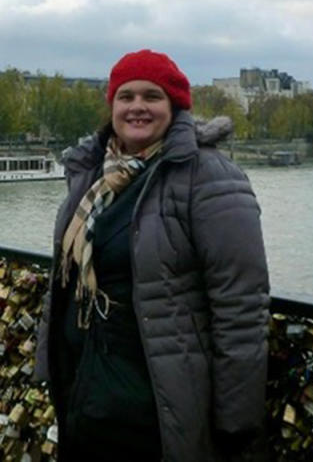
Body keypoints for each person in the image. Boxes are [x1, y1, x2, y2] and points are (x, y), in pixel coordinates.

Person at [36, 49, 270, 461]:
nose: (137, 107)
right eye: (126, 97)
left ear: (175, 106)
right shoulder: (92, 175)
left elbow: (241, 305)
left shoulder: (208, 176)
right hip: (87, 392)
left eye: (152, 96)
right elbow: (64, 281)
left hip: (157, 405)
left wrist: (235, 418)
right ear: (112, 106)